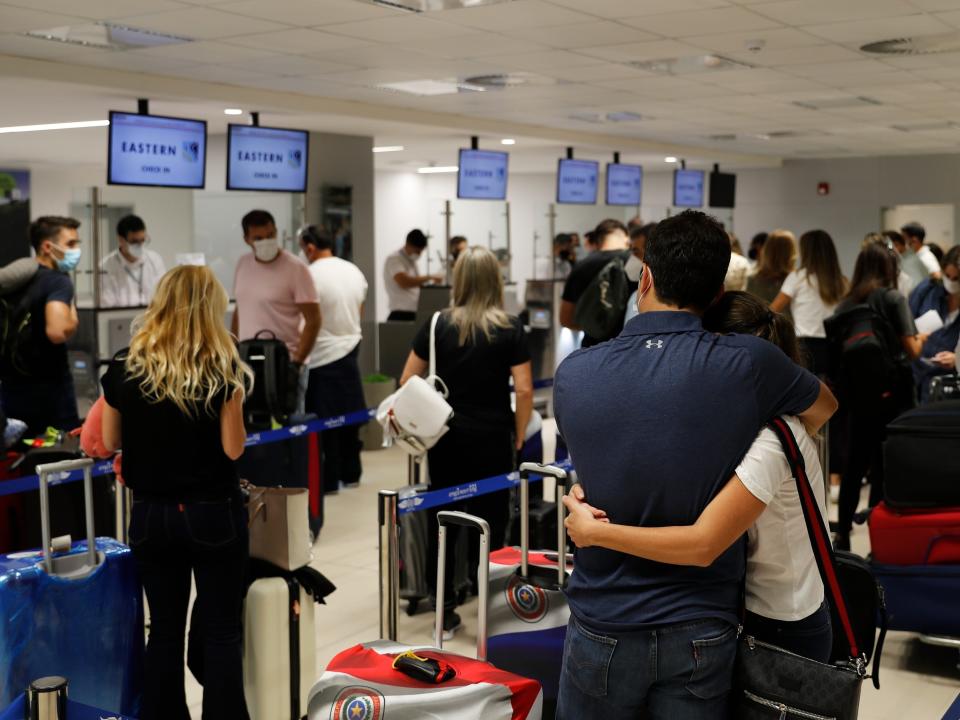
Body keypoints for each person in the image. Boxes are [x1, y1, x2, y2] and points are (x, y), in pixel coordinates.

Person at [553, 210, 836, 719]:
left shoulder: (575, 374)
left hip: (605, 616)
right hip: (702, 626)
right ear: (718, 294)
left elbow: (601, 465)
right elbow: (824, 409)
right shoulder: (749, 363)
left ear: (646, 277)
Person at [564, 291, 832, 663]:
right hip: (763, 610)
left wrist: (596, 533)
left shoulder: (771, 442)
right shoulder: (751, 427)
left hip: (780, 623)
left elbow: (703, 543)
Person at [99, 265, 253, 720]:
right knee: (222, 631)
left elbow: (109, 443)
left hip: (150, 516)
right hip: (213, 514)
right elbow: (233, 448)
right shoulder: (223, 366)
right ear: (212, 308)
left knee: (163, 628)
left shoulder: (125, 365)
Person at [399, 246, 532, 640]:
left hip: (446, 439)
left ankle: (444, 611)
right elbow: (524, 390)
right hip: (493, 439)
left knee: (445, 522)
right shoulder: (510, 326)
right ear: (495, 280)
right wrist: (520, 434)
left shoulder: (437, 323)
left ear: (459, 280)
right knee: (493, 523)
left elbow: (407, 378)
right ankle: (493, 608)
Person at [831, 243, 926, 550]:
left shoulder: (844, 305)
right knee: (884, 468)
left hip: (858, 398)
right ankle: (877, 535)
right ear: (890, 269)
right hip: (894, 396)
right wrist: (922, 337)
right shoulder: (893, 298)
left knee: (855, 466)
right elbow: (912, 352)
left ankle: (843, 533)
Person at [300, 226, 368, 493]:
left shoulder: (309, 274)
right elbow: (360, 309)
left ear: (310, 247)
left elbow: (307, 318)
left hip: (321, 355)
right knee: (350, 419)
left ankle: (327, 481)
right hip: (351, 348)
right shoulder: (353, 271)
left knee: (324, 426)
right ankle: (352, 473)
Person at [0, 216, 81, 435]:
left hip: (11, 386)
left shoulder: (17, 280)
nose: (76, 250)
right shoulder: (58, 281)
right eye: (71, 244)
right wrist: (73, 319)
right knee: (61, 455)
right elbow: (56, 331)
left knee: (19, 455)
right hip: (51, 391)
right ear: (47, 247)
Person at [231, 210, 320, 407]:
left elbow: (313, 320)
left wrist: (296, 364)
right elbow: (240, 309)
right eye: (258, 238)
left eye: (270, 235)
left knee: (288, 425)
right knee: (251, 427)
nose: (266, 241)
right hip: (247, 360)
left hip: (284, 362)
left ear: (276, 232)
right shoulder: (242, 264)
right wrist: (233, 351)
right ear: (247, 239)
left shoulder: (296, 269)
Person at [771, 229, 847, 375]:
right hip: (834, 345)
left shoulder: (798, 277)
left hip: (805, 346)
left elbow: (773, 309)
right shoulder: (841, 281)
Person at [559, 218, 632, 347]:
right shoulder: (636, 264)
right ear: (626, 239)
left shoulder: (580, 267)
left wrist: (597, 329)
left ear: (597, 242)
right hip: (629, 348)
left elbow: (565, 319)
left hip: (592, 349)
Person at [912, 245, 960, 402]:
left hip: (950, 387)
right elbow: (906, 324)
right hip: (917, 377)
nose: (951, 282)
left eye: (957, 279)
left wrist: (956, 359)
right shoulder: (928, 291)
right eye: (947, 276)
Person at [99, 214, 166, 307]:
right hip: (120, 318)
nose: (140, 245)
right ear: (121, 240)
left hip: (152, 316)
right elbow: (107, 303)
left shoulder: (155, 260)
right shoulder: (106, 266)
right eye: (134, 242)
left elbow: (163, 295)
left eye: (142, 240)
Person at [746, 229, 796, 317]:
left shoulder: (752, 279)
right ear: (792, 252)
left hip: (762, 330)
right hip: (791, 329)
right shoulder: (797, 280)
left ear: (767, 250)